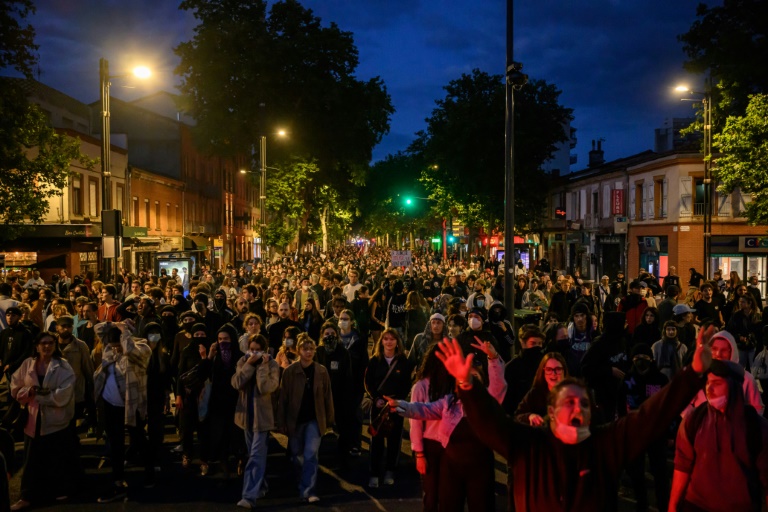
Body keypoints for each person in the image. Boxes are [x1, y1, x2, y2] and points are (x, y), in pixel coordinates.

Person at [434, 325, 714, 511]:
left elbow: (651, 415)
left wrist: (692, 373)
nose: (578, 409)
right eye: (569, 402)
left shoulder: (605, 445)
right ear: (552, 411)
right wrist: (467, 385)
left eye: (583, 404)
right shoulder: (529, 445)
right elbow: (491, 422)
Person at [387, 337, 506, 512]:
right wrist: (400, 405)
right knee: (447, 503)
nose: (469, 381)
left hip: (479, 467)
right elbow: (423, 410)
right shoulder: (449, 402)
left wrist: (493, 358)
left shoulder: (487, 403)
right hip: (451, 466)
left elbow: (498, 385)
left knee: (481, 505)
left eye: (474, 378)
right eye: (465, 377)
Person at [670, 359, 768, 511]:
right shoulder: (694, 420)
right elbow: (682, 467)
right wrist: (673, 507)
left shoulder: (756, 426)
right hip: (696, 506)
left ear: (734, 386)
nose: (709, 389)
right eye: (707, 383)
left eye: (717, 383)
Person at [9, 332, 76, 511]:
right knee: (31, 459)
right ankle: (27, 495)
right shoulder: (27, 364)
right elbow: (15, 388)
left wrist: (39, 396)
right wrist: (29, 392)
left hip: (55, 421)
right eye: (43, 343)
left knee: (56, 457)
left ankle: (59, 490)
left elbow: (64, 393)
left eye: (50, 343)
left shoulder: (63, 366)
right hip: (32, 419)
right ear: (37, 346)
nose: (47, 346)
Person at [92, 320, 152, 502]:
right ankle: (118, 480)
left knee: (139, 439)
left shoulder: (142, 348)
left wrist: (124, 330)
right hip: (110, 404)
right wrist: (114, 323)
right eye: (112, 346)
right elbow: (98, 329)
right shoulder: (110, 346)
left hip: (132, 405)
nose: (115, 349)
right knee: (116, 442)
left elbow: (130, 351)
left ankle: (150, 473)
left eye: (117, 346)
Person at [277, 333, 334, 503]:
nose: (308, 352)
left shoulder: (321, 371)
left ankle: (308, 490)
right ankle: (301, 482)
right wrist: (281, 421)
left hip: (314, 419)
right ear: (299, 350)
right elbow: (283, 398)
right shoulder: (290, 372)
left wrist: (329, 419)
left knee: (310, 454)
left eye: (311, 349)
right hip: (295, 419)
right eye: (305, 349)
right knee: (297, 455)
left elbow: (327, 396)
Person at [619, 343, 670, 512]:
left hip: (657, 433)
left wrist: (670, 431)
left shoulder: (661, 380)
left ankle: (664, 505)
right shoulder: (627, 380)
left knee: (660, 474)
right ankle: (642, 505)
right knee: (637, 474)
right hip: (635, 433)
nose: (641, 361)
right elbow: (621, 408)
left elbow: (668, 407)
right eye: (637, 358)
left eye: (645, 358)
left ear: (651, 359)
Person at [232, 334, 279, 510]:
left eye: (258, 350)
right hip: (246, 418)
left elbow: (265, 387)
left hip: (263, 419)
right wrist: (249, 364)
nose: (254, 353)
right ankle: (262, 486)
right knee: (255, 456)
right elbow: (236, 383)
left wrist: (262, 367)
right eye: (252, 349)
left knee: (256, 457)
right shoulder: (242, 362)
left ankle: (248, 496)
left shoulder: (272, 365)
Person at [408, 343, 455, 512]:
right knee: (431, 494)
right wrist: (419, 454)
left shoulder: (453, 384)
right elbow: (415, 423)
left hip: (450, 445)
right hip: (430, 445)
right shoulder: (421, 386)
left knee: (448, 494)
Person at [364, 328, 412, 488]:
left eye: (392, 339)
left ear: (397, 341)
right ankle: (374, 473)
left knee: (394, 440)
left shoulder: (403, 362)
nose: (389, 342)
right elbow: (368, 382)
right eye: (386, 339)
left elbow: (406, 384)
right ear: (381, 342)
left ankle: (391, 470)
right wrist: (376, 398)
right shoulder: (375, 361)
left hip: (395, 405)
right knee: (376, 440)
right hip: (379, 405)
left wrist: (398, 401)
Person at [197, 324, 244, 478]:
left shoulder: (239, 356)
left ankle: (239, 460)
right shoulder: (215, 356)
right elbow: (203, 373)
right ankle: (223, 462)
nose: (223, 342)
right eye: (220, 339)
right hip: (218, 400)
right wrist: (209, 356)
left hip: (236, 400)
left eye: (226, 339)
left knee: (237, 433)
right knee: (220, 433)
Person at [681, 330, 764, 417]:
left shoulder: (746, 378)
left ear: (732, 351)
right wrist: (695, 421)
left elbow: (757, 408)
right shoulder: (698, 376)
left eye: (724, 350)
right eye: (714, 349)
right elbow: (682, 403)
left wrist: (743, 425)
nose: (718, 354)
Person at [315, 322, 354, 466]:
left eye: (332, 334)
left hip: (339, 396)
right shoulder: (318, 352)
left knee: (343, 428)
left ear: (337, 335)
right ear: (321, 335)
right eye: (326, 334)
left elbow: (348, 376)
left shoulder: (343, 353)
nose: (329, 337)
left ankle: (343, 458)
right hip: (320, 397)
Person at [513, 352, 569, 425]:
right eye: (549, 369)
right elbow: (517, 416)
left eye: (558, 369)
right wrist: (530, 416)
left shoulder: (573, 393)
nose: (553, 373)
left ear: (564, 371)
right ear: (543, 372)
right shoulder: (535, 393)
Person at [502, 325, 545, 415]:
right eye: (533, 343)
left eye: (540, 343)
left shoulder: (545, 364)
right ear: (523, 343)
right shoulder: (511, 368)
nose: (537, 347)